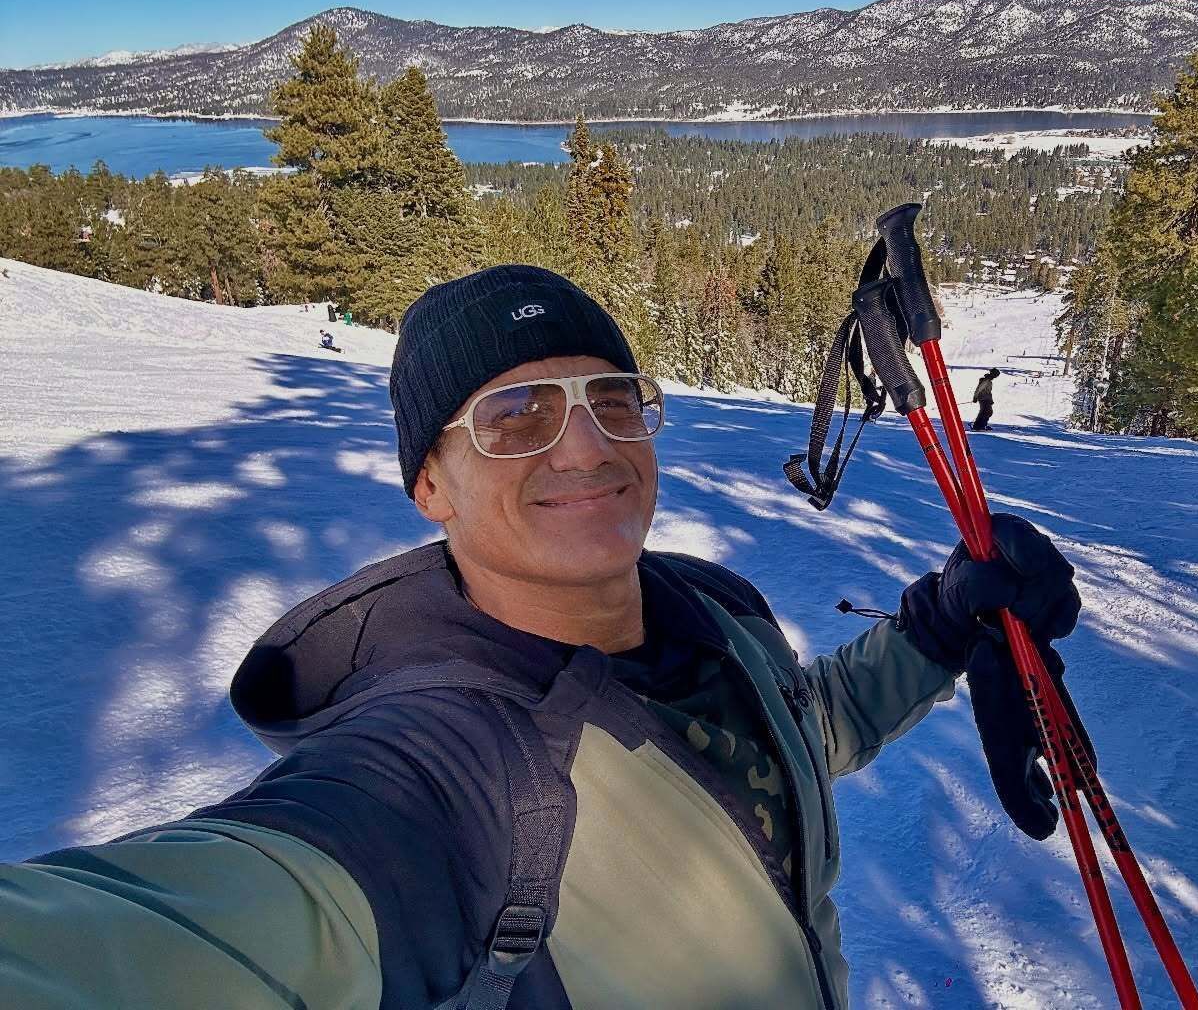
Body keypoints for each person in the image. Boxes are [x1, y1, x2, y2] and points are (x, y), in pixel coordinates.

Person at [0, 265, 1084, 1009]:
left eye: (611, 401)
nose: (584, 448)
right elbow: (147, 935)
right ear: (431, 482)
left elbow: (804, 735)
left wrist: (937, 630)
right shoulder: (437, 774)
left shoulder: (715, 624)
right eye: (515, 416)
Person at [972, 367, 1001, 431]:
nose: (996, 377)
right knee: (987, 412)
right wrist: (975, 397)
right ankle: (980, 426)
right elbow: (979, 389)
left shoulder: (989, 380)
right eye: (996, 375)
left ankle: (979, 426)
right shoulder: (986, 380)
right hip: (984, 398)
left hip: (986, 398)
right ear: (993, 374)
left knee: (985, 412)